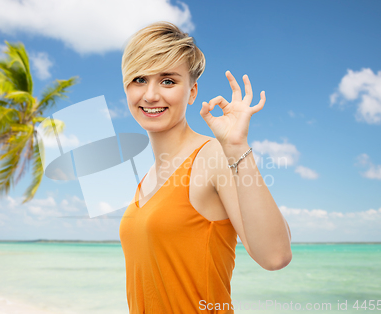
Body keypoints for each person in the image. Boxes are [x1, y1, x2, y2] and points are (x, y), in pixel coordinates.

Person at [119, 21, 292, 314]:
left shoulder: (211, 156)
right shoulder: (147, 178)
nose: (150, 95)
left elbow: (275, 256)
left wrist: (237, 147)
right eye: (139, 79)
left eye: (168, 81)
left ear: (192, 92)